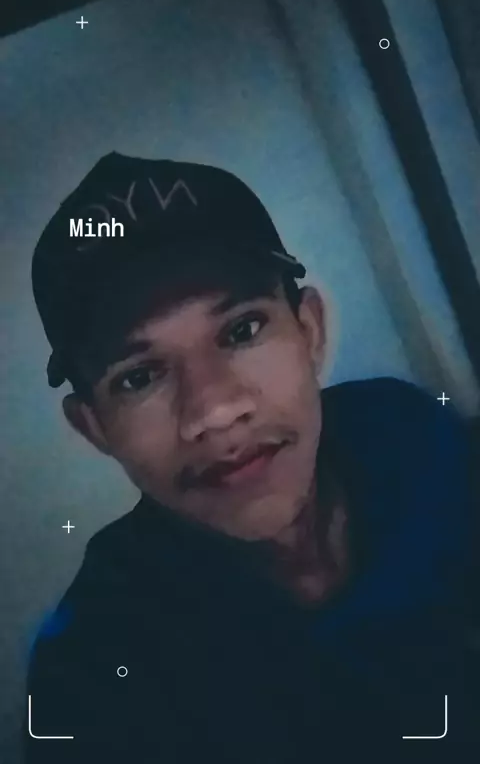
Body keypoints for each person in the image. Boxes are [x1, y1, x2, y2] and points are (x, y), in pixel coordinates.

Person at [24, 152, 477, 762]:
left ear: (309, 331)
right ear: (94, 427)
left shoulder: (412, 438)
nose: (214, 409)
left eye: (241, 331)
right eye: (139, 377)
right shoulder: (97, 678)